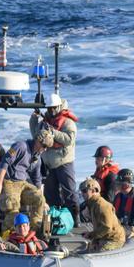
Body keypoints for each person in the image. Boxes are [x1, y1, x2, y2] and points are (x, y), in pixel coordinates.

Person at [30, 92, 78, 223]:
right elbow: (35, 134)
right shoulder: (44, 122)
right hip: (48, 163)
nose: (51, 111)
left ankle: (75, 218)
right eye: (49, 108)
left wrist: (53, 133)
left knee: (69, 191)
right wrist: (34, 117)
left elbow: (69, 139)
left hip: (64, 162)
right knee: (51, 193)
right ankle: (56, 218)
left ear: (58, 107)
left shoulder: (68, 123)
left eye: (53, 108)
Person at [0, 128, 52, 237]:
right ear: (37, 140)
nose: (45, 149)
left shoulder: (37, 158)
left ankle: (33, 231)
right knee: (12, 207)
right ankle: (7, 236)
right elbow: (5, 162)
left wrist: (42, 198)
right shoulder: (20, 146)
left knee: (39, 199)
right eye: (44, 146)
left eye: (47, 147)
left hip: (22, 183)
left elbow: (37, 180)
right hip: (8, 181)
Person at [79, 178, 126, 253]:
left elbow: (107, 227)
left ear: (94, 191)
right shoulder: (92, 204)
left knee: (98, 253)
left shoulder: (102, 205)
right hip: (104, 237)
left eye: (84, 191)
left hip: (114, 239)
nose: (82, 194)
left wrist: (92, 235)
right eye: (81, 191)